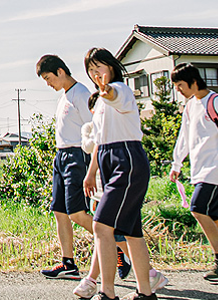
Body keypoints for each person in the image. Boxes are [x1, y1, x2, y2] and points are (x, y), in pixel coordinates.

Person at [35, 54, 137, 285]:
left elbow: (96, 129)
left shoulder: (81, 94)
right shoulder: (64, 97)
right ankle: (68, 264)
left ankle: (119, 247)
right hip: (61, 156)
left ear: (61, 71)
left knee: (77, 213)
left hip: (77, 157)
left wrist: (94, 167)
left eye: (49, 78)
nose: (48, 84)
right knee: (59, 211)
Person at [78, 47, 164, 300]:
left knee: (101, 226)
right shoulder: (101, 101)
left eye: (99, 68)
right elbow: (99, 142)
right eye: (91, 71)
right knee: (131, 231)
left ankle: (107, 292)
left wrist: (108, 90)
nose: (95, 74)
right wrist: (91, 172)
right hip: (110, 160)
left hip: (126, 159)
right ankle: (145, 293)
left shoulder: (121, 90)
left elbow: (116, 95)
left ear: (112, 67)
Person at [168, 63, 218, 283]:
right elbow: (184, 136)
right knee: (214, 217)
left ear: (194, 81)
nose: (179, 90)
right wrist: (176, 164)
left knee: (197, 208)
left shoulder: (215, 101)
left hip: (216, 167)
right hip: (200, 168)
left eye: (181, 85)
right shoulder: (190, 105)